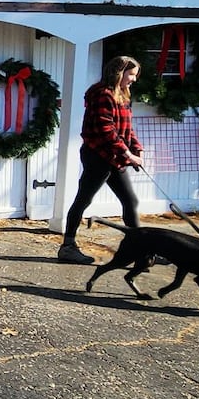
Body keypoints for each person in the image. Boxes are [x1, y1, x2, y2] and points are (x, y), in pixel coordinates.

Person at [59, 55, 145, 264]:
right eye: (131, 74)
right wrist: (127, 154)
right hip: (98, 156)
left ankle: (140, 250)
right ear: (118, 73)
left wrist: (137, 150)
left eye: (135, 75)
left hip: (115, 158)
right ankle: (68, 247)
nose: (133, 79)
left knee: (130, 201)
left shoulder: (122, 95)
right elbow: (107, 130)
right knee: (83, 199)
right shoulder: (102, 94)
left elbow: (127, 129)